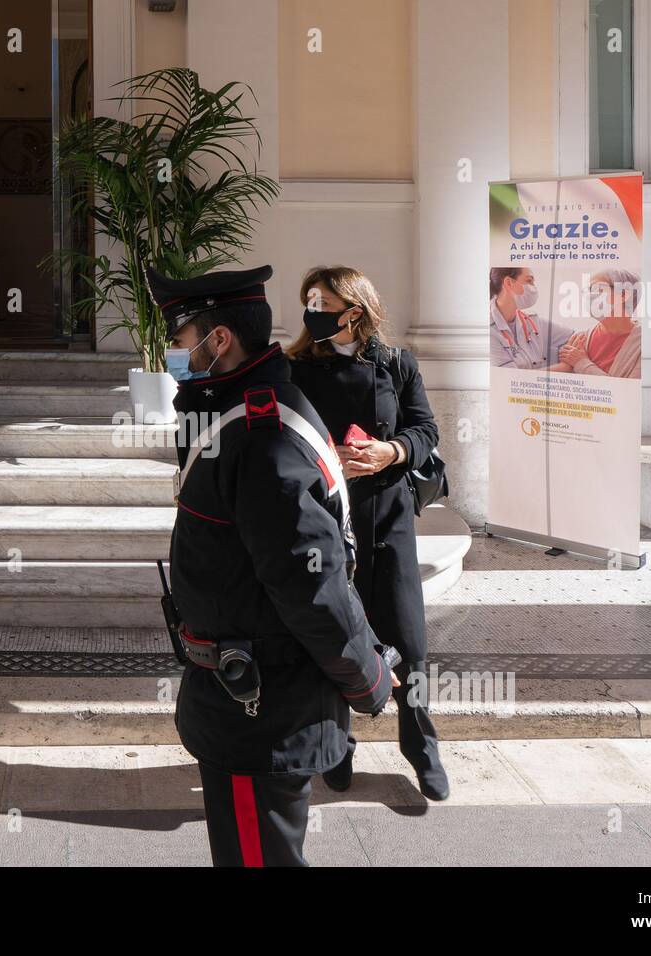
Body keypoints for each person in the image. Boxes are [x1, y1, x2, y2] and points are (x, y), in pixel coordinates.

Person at [147, 263, 401, 867]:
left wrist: (364, 674)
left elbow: (309, 581)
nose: (175, 358)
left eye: (182, 343)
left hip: (258, 711)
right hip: (250, 701)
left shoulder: (262, 437)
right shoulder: (246, 411)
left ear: (219, 341)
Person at [288, 266, 450, 801]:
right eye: (308, 300)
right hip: (325, 520)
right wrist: (326, 459)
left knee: (410, 641)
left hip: (388, 519)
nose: (312, 310)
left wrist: (392, 451)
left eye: (323, 301)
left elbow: (425, 429)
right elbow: (276, 439)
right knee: (334, 637)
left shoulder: (396, 364)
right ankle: (338, 746)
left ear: (353, 311)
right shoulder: (293, 370)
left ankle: (421, 746)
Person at [556, 269, 642, 378]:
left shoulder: (644, 344)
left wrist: (581, 363)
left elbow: (626, 392)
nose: (588, 295)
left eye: (596, 288)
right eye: (587, 290)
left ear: (623, 295)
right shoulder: (580, 338)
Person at [489, 267, 573, 370]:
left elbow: (577, 337)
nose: (534, 287)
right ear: (509, 282)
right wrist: (565, 366)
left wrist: (578, 357)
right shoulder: (488, 331)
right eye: (529, 281)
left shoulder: (531, 320)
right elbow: (511, 378)